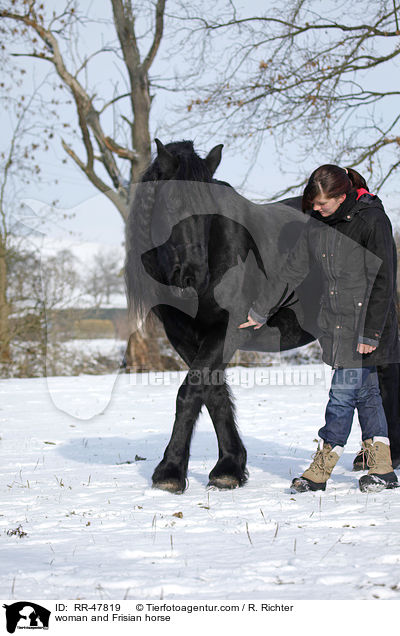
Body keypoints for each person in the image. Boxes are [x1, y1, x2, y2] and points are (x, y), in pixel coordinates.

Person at [239, 164, 400, 493]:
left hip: (369, 324)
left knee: (341, 397)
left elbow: (384, 281)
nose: (315, 209)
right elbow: (290, 272)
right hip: (336, 324)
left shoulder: (372, 220)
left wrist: (371, 333)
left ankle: (321, 469)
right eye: (312, 203)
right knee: (368, 395)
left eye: (321, 204)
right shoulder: (317, 224)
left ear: (342, 197)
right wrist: (260, 310)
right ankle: (382, 467)